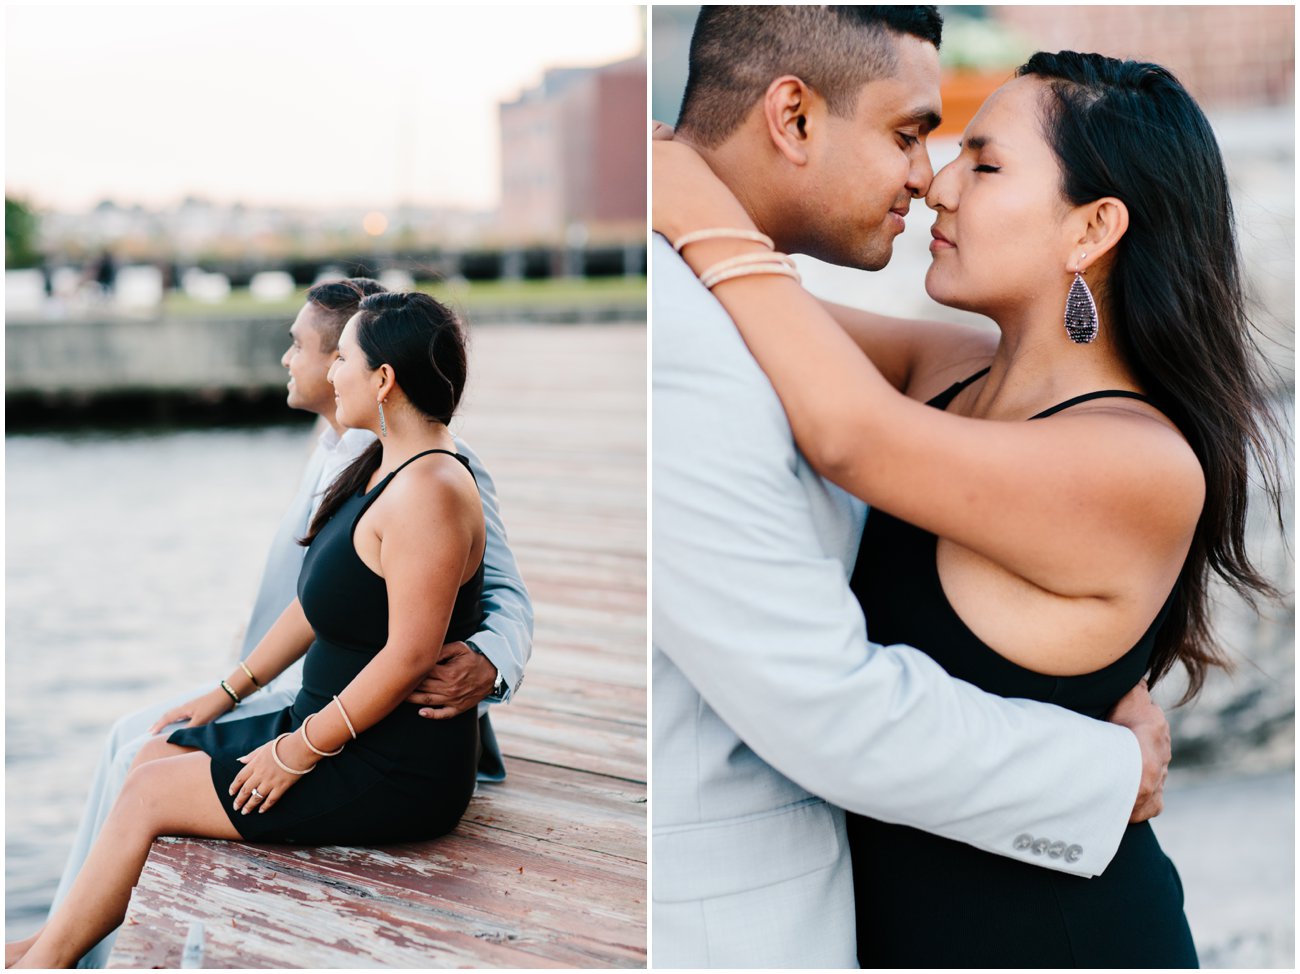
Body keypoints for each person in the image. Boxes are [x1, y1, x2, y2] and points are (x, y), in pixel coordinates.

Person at [655, 37, 1283, 968]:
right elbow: (737, 315)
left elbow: (849, 434)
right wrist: (685, 171)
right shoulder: (946, 368)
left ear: (1091, 229)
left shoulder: (1139, 463)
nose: (939, 186)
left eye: (983, 163)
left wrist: (684, 191)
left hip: (1057, 942)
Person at [7, 288, 528, 969]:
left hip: (391, 767)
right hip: (339, 731)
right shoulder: (381, 463)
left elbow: (409, 657)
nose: (329, 369)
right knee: (150, 756)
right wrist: (225, 691)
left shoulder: (433, 489)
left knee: (148, 792)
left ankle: (47, 963)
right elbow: (318, 604)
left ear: (383, 379)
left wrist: (297, 751)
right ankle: (52, 946)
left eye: (341, 356)